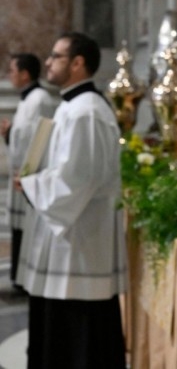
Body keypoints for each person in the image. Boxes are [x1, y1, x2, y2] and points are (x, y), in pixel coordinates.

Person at [16, 32, 128, 368]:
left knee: (80, 333)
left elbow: (77, 178)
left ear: (78, 63)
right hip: (72, 237)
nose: (47, 62)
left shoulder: (86, 112)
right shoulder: (72, 106)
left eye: (56, 56)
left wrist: (33, 185)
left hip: (80, 242)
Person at [0, 53, 59, 289]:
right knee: (19, 230)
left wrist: (12, 129)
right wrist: (10, 131)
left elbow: (39, 138)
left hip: (32, 175)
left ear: (25, 74)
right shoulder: (29, 99)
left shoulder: (40, 99)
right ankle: (18, 277)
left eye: (12, 71)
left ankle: (25, 279)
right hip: (22, 173)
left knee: (28, 231)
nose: (9, 76)